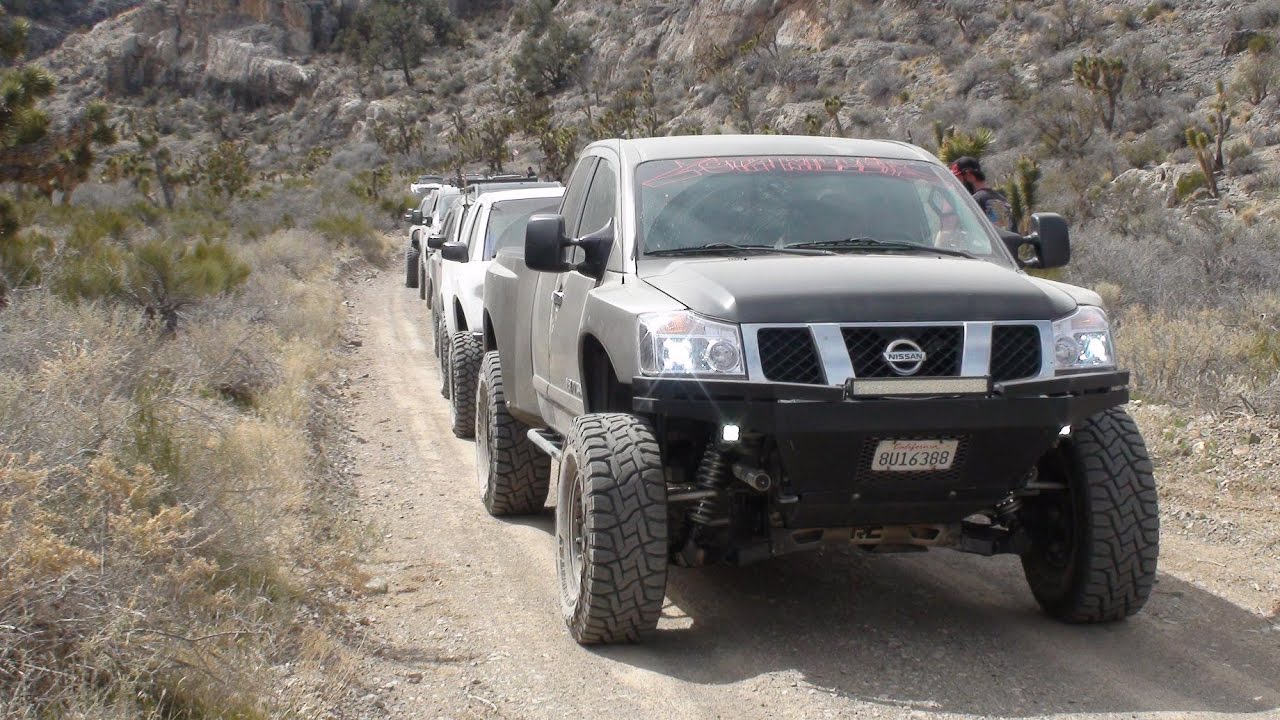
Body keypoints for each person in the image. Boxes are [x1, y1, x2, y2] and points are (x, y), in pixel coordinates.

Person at [950, 156, 1015, 232]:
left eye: (958, 180)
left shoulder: (975, 201)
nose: (957, 185)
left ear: (969, 175)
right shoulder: (999, 197)